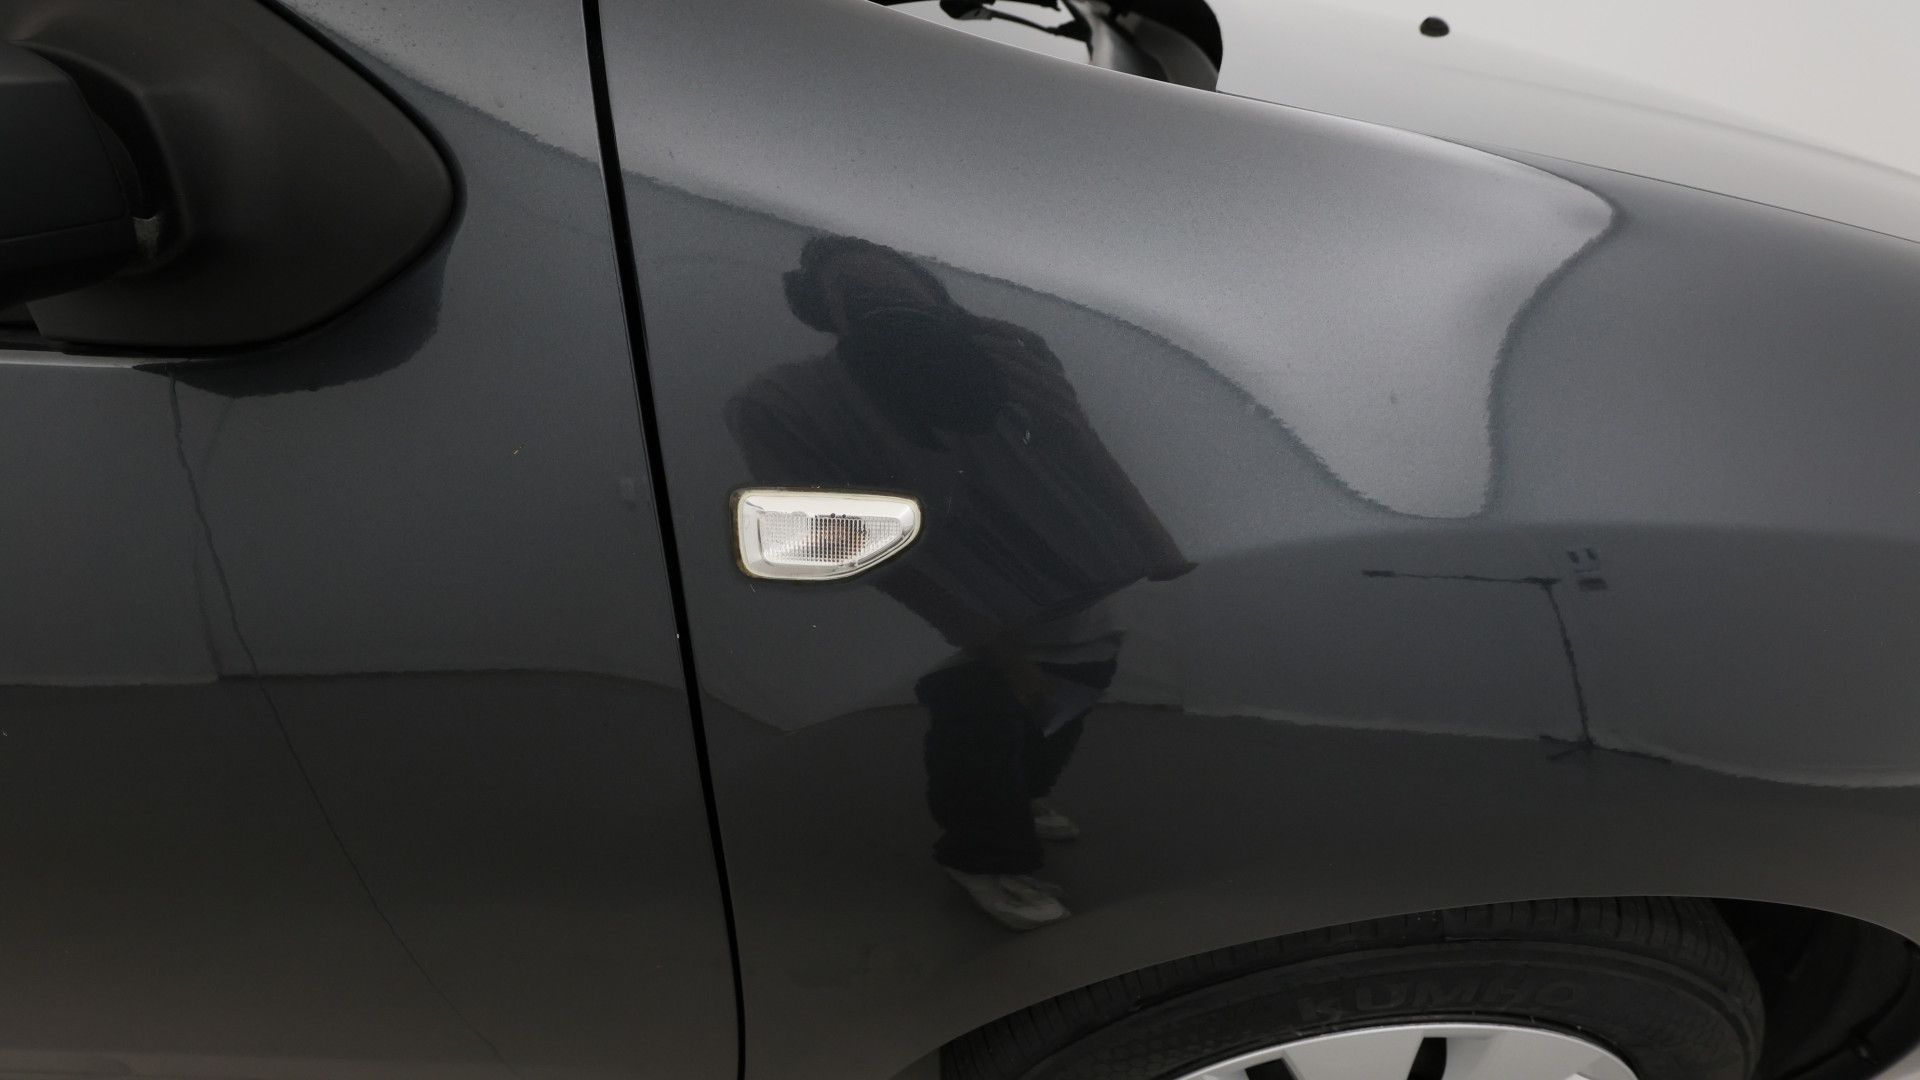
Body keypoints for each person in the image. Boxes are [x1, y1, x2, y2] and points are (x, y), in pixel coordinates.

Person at [727, 236, 1192, 930]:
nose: (889, 304)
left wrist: (1146, 538)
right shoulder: (785, 401)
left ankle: (1023, 796)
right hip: (950, 594)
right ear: (827, 310)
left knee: (1074, 691)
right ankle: (985, 857)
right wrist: (991, 638)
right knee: (981, 721)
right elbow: (841, 529)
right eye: (862, 294)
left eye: (902, 290)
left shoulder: (1011, 361)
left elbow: (1079, 456)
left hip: (1074, 580)